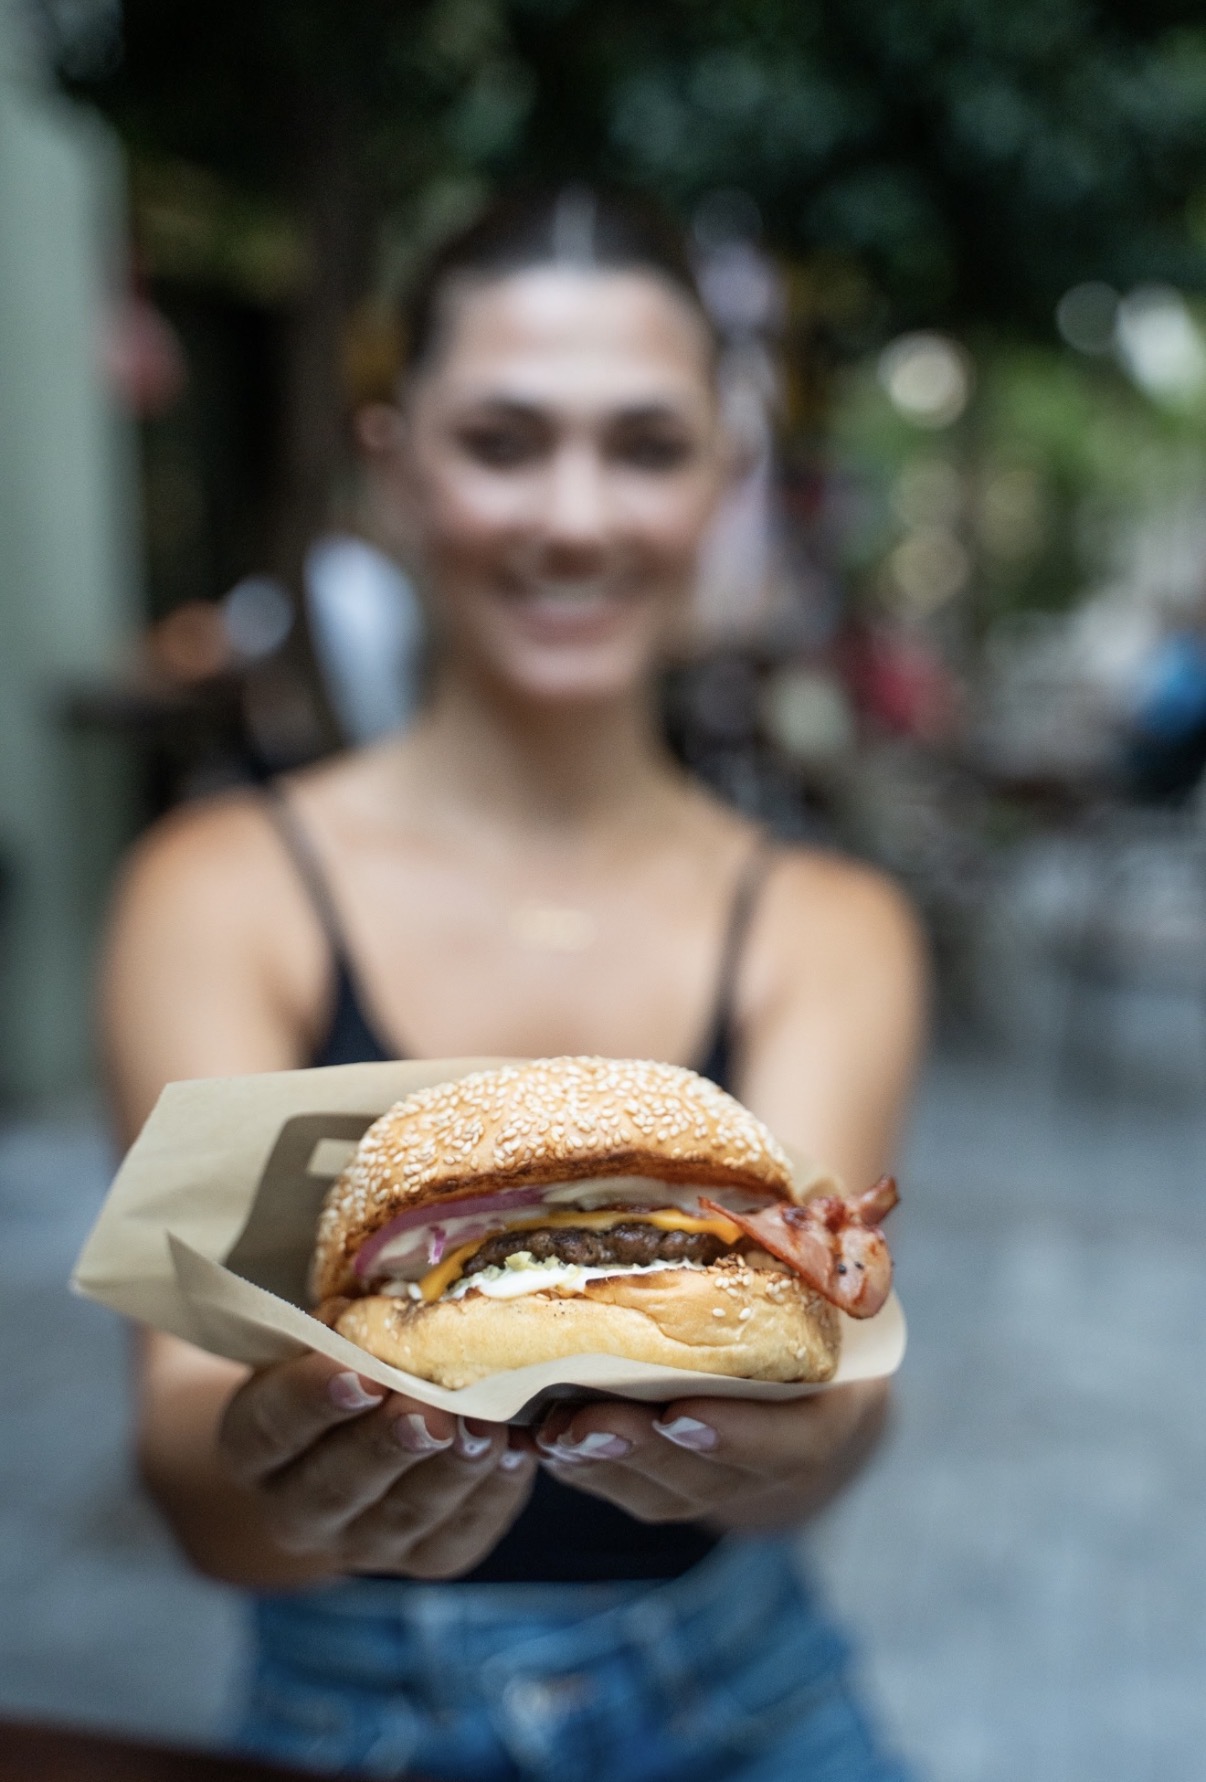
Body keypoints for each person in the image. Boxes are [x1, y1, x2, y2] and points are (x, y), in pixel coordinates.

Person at [101, 189, 925, 1781]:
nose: (572, 513)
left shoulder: (830, 921)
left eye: (641, 445)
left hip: (746, 1687)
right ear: (392, 462)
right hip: (352, 1700)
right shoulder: (215, 889)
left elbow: (828, 1389)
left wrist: (785, 1445)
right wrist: (281, 1477)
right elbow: (186, 1458)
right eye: (501, 438)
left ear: (721, 481)